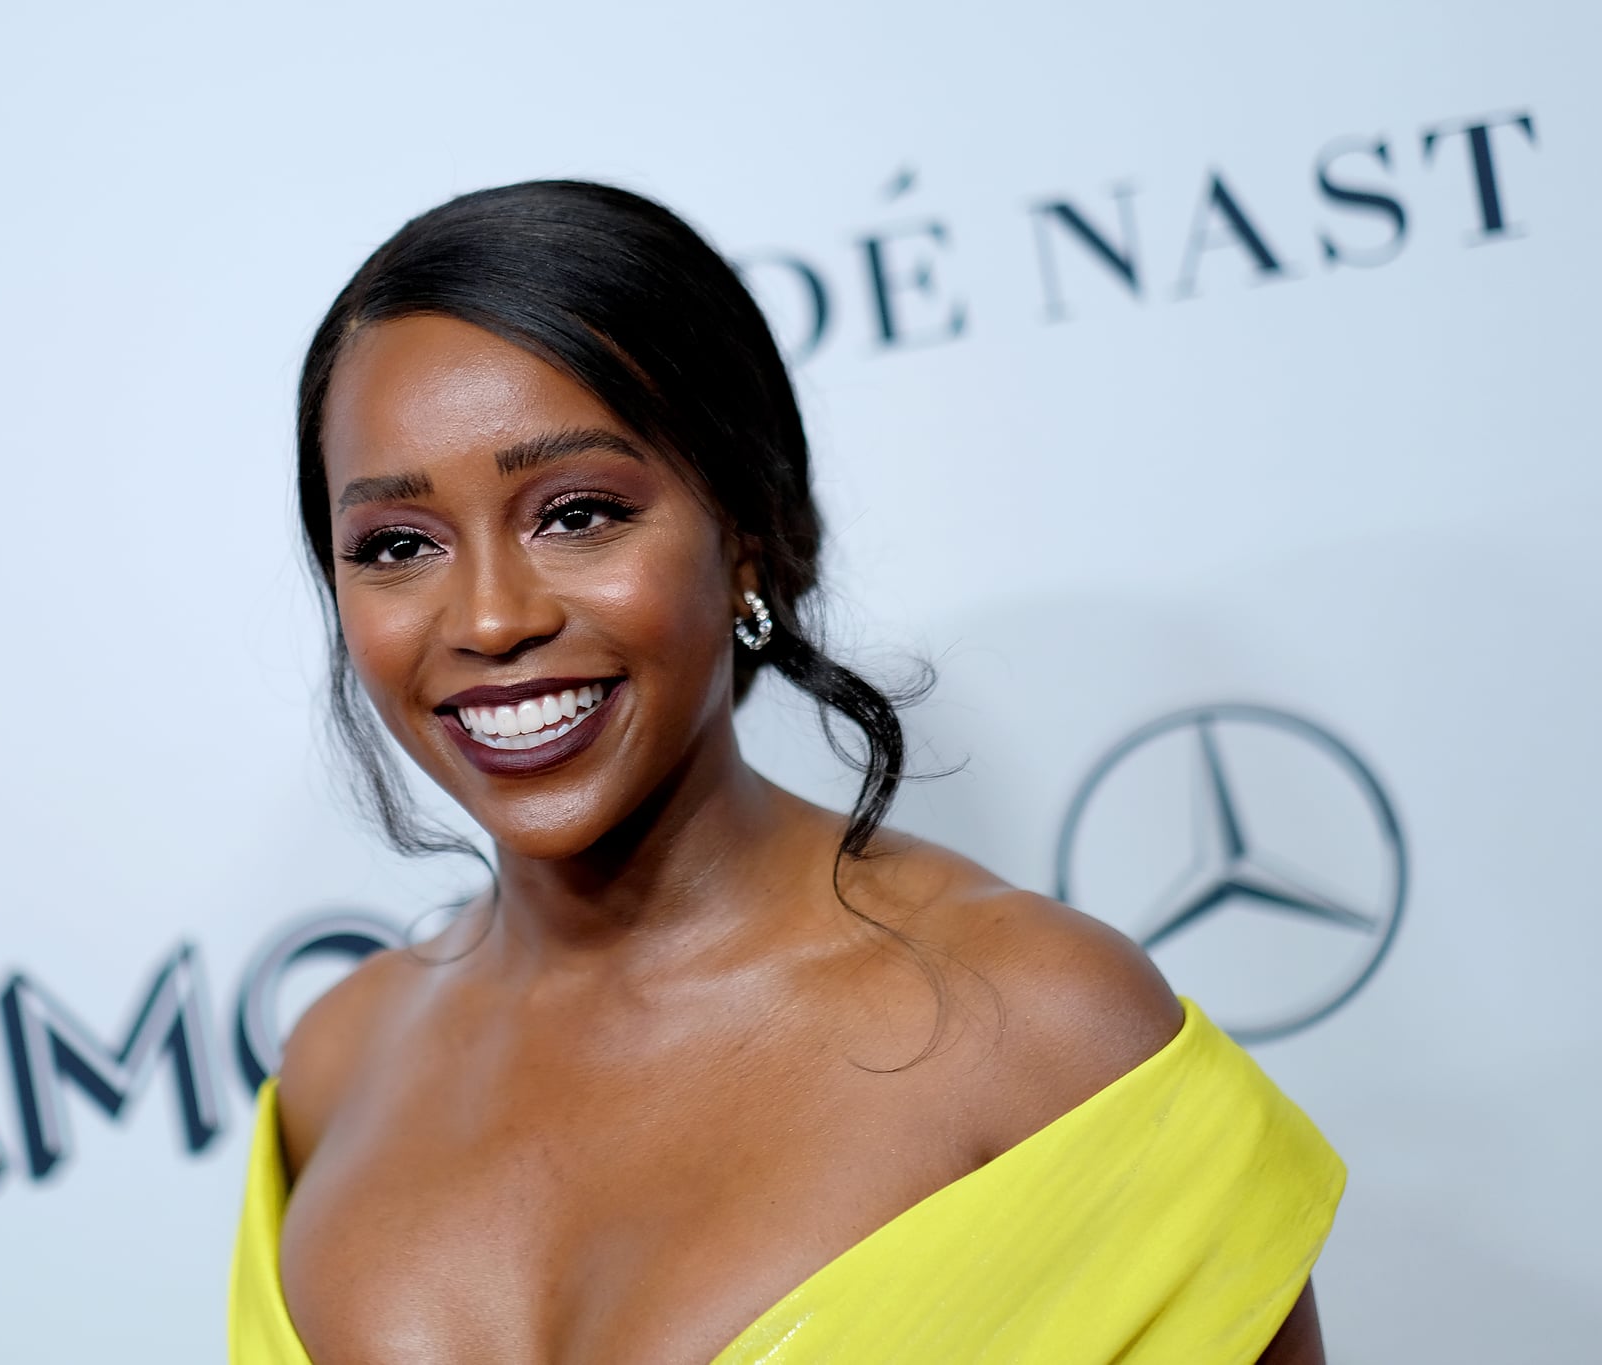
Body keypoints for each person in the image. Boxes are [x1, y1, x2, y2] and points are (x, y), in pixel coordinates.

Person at [230, 180, 1343, 1364]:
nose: (490, 618)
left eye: (577, 514)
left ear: (749, 536)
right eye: (397, 545)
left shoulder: (1042, 1032)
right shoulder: (334, 1071)